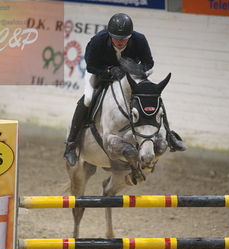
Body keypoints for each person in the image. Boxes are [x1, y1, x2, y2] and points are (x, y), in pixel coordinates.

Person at [64, 13, 186, 166]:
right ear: (109, 35)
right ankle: (71, 144)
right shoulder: (98, 40)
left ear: (130, 35)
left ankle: (169, 135)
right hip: (101, 72)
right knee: (88, 98)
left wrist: (135, 70)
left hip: (130, 75)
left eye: (124, 38)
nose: (120, 42)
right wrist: (109, 72)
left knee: (152, 95)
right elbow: (91, 66)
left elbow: (149, 63)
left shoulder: (139, 39)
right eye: (116, 38)